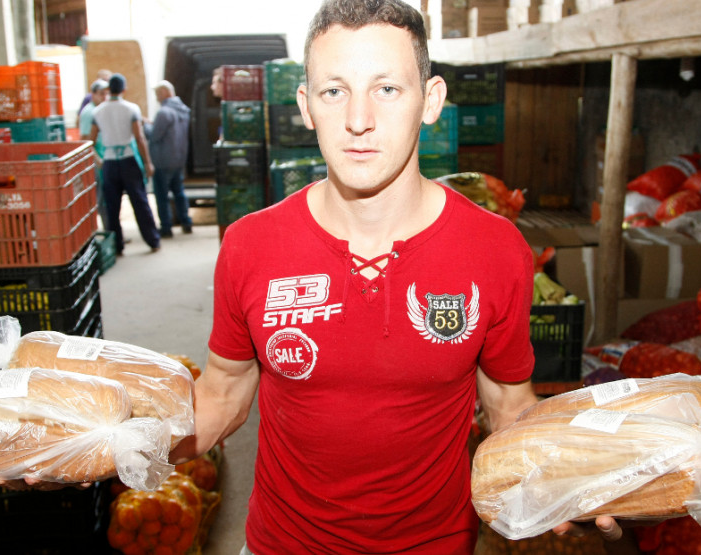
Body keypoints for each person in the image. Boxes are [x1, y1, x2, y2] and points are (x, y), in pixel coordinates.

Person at [171, 0, 621, 553]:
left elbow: (509, 405)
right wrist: (106, 447)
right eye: (334, 91)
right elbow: (220, 395)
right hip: (284, 544)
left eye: (387, 89)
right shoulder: (250, 246)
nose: (359, 119)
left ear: (430, 101)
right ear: (306, 106)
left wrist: (568, 481)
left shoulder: (496, 249)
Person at [89, 73, 161, 254]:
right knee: (140, 202)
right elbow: (139, 137)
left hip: (110, 162)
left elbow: (90, 141)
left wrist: (99, 160)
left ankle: (117, 246)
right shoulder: (131, 109)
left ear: (108, 90)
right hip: (129, 160)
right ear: (124, 89)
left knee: (112, 207)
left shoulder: (97, 111)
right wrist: (147, 163)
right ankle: (153, 240)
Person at [144, 80, 193, 237]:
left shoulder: (164, 112)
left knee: (162, 196)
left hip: (163, 160)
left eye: (158, 94)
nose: (157, 97)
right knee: (179, 192)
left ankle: (166, 227)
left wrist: (143, 125)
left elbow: (154, 135)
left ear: (165, 92)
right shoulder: (183, 110)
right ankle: (186, 222)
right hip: (178, 158)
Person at [80, 78, 110, 230]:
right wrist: (98, 161)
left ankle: (110, 231)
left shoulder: (100, 110)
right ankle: (91, 232)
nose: (104, 97)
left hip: (102, 159)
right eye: (101, 94)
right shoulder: (89, 113)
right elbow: (85, 141)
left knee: (104, 200)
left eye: (106, 94)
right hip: (95, 162)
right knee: (96, 200)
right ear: (93, 94)